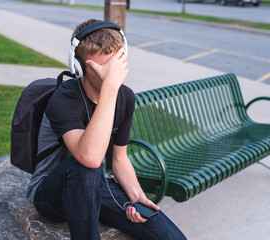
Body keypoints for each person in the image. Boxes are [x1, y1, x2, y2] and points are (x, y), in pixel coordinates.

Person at [27, 19, 186, 240]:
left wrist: (137, 196)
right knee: (87, 165)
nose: (113, 75)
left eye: (116, 66)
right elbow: (89, 158)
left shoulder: (125, 97)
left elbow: (119, 159)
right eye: (104, 69)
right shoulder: (64, 98)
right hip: (51, 194)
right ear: (79, 67)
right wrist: (110, 89)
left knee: (170, 237)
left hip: (96, 185)